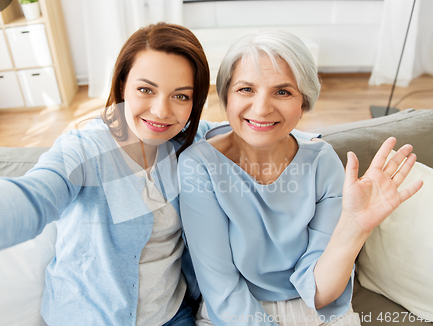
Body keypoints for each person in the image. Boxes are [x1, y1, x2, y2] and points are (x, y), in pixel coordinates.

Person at [0, 23, 318, 325]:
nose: (162, 111)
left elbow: (249, 126)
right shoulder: (87, 147)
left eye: (180, 96)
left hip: (173, 316)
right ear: (121, 86)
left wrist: (312, 142)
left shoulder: (190, 141)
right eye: (146, 90)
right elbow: (36, 195)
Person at [178, 29, 423, 326]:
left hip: (315, 311)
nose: (262, 108)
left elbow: (320, 293)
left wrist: (356, 227)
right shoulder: (198, 166)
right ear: (226, 97)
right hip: (234, 312)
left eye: (283, 91)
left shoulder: (322, 161)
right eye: (246, 89)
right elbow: (222, 290)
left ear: (304, 102)